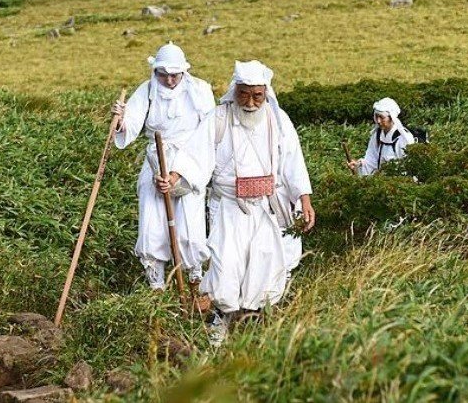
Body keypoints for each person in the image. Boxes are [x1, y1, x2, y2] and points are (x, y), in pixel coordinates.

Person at [200, 60, 315, 344]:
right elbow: (196, 156)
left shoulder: (278, 120)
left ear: (266, 94)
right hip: (227, 206)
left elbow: (293, 162)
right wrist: (177, 176)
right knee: (226, 264)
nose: (250, 102)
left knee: (262, 263)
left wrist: (305, 198)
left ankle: (253, 321)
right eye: (244, 94)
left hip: (265, 207)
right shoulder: (218, 118)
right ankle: (220, 320)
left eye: (257, 96)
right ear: (234, 90)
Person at [112, 42, 215, 290]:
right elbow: (131, 125)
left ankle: (195, 284)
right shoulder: (147, 90)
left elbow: (209, 134)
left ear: (184, 72)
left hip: (191, 159)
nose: (169, 81)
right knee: (152, 224)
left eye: (174, 75)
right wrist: (120, 121)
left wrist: (179, 174)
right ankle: (156, 286)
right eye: (163, 75)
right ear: (155, 71)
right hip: (156, 161)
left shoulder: (200, 90)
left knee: (189, 227)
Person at [347, 97, 415, 176]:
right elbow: (372, 160)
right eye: (376, 116)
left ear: (391, 118)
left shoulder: (403, 138)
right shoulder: (377, 134)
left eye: (382, 117)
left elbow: (407, 168)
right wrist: (358, 165)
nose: (378, 121)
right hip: (381, 181)